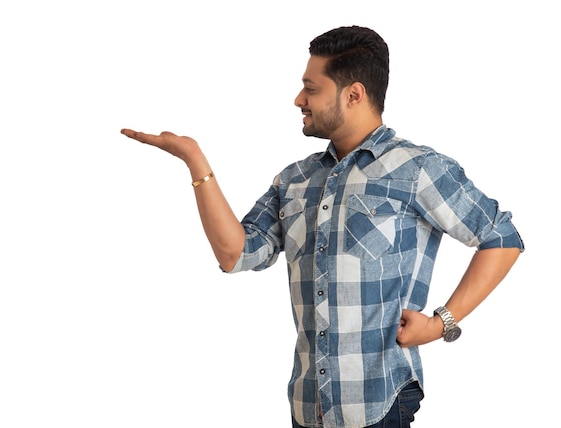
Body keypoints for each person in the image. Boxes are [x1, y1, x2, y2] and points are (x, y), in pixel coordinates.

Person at [121, 25, 524, 428]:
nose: (299, 100)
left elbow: (501, 238)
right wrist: (196, 161)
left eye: (310, 89)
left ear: (354, 94)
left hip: (379, 405)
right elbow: (235, 254)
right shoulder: (294, 179)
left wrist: (441, 324)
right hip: (307, 406)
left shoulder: (417, 169)